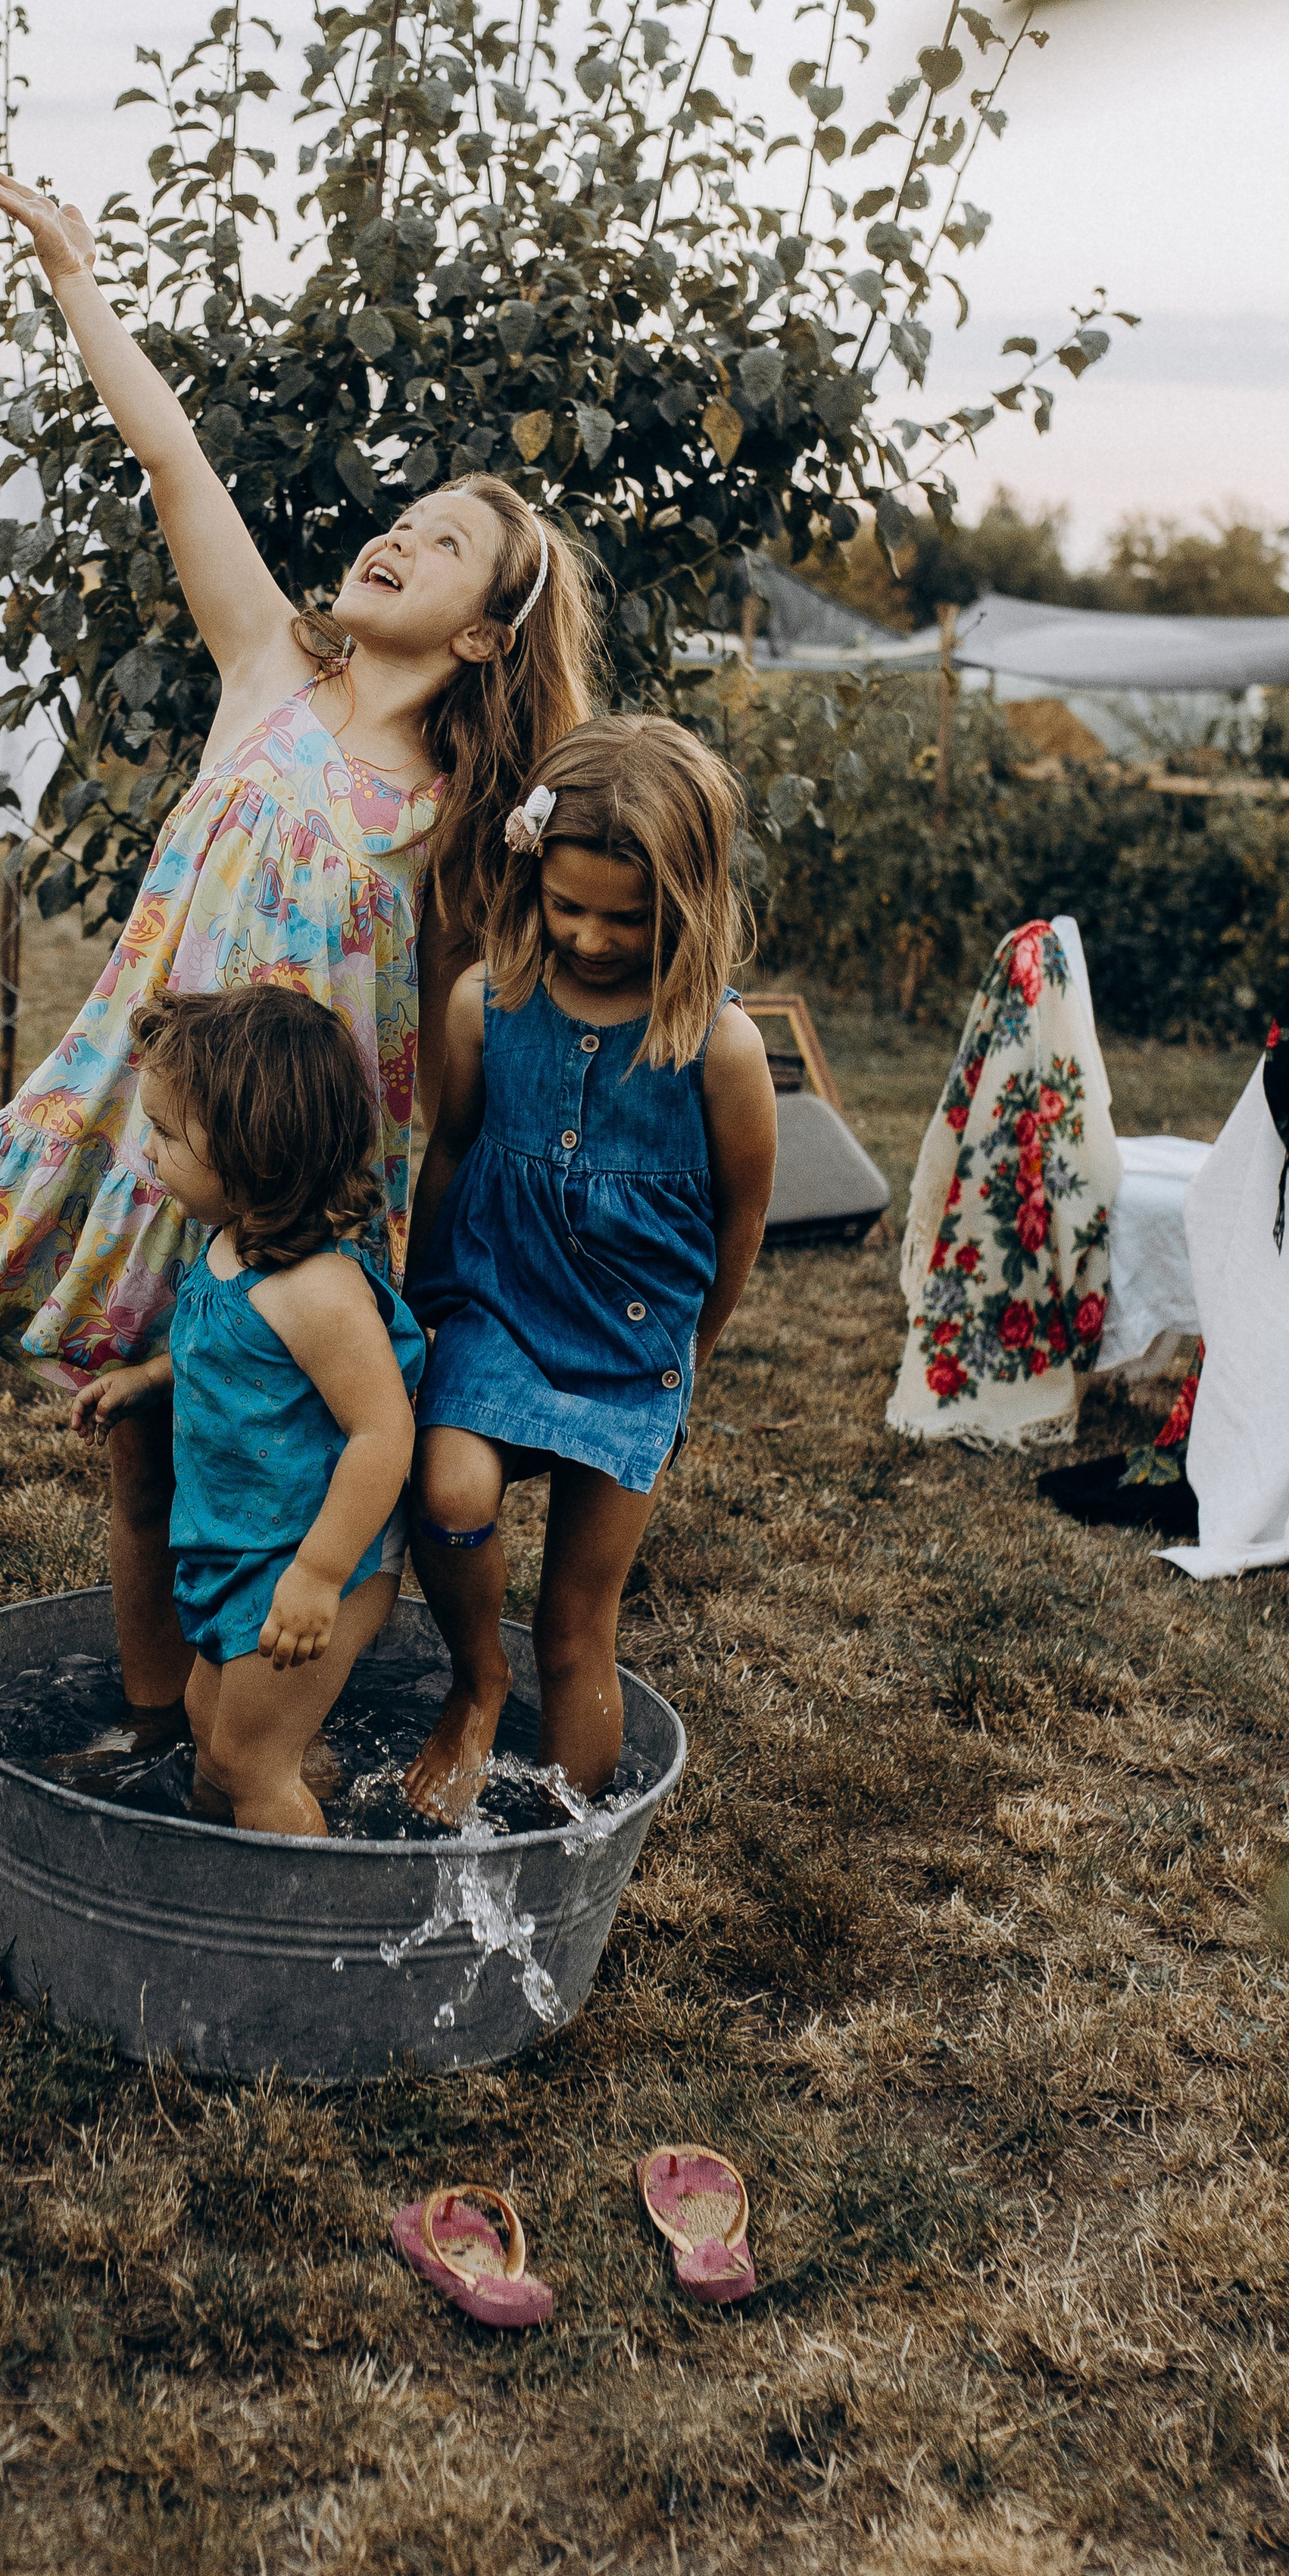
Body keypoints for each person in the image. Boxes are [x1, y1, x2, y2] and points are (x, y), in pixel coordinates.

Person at [0, 163, 601, 1719]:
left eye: (445, 545)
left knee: (285, 1443)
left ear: (484, 632)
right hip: (173, 1125)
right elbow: (172, 457)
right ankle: (162, 1733)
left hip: (313, 1179)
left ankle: (271, 1709)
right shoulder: (269, 671)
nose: (399, 539)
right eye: (400, 519)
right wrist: (78, 279)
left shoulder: (465, 813)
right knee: (143, 1449)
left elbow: (530, 972)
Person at [401, 717, 779, 1813]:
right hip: (497, 1309)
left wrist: (687, 1353)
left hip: (632, 1348)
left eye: (630, 916)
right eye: (569, 907)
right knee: (450, 1487)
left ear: (692, 899)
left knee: (578, 1625)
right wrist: (428, 1303)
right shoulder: (487, 1002)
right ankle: (477, 1680)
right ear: (534, 880)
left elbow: (740, 1219)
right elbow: (455, 1150)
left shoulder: (719, 1047)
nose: (595, 938)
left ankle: (568, 1839)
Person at [69, 986, 426, 1838]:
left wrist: (318, 1577)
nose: (148, 1151)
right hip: (241, 1547)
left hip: (308, 1560)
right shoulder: (229, 1242)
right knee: (209, 1728)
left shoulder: (320, 1292)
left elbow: (385, 1435)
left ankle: (315, 1942)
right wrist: (150, 1380)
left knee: (245, 1763)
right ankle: (229, 1858)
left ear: (248, 1149)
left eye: (165, 1134)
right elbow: (231, 1353)